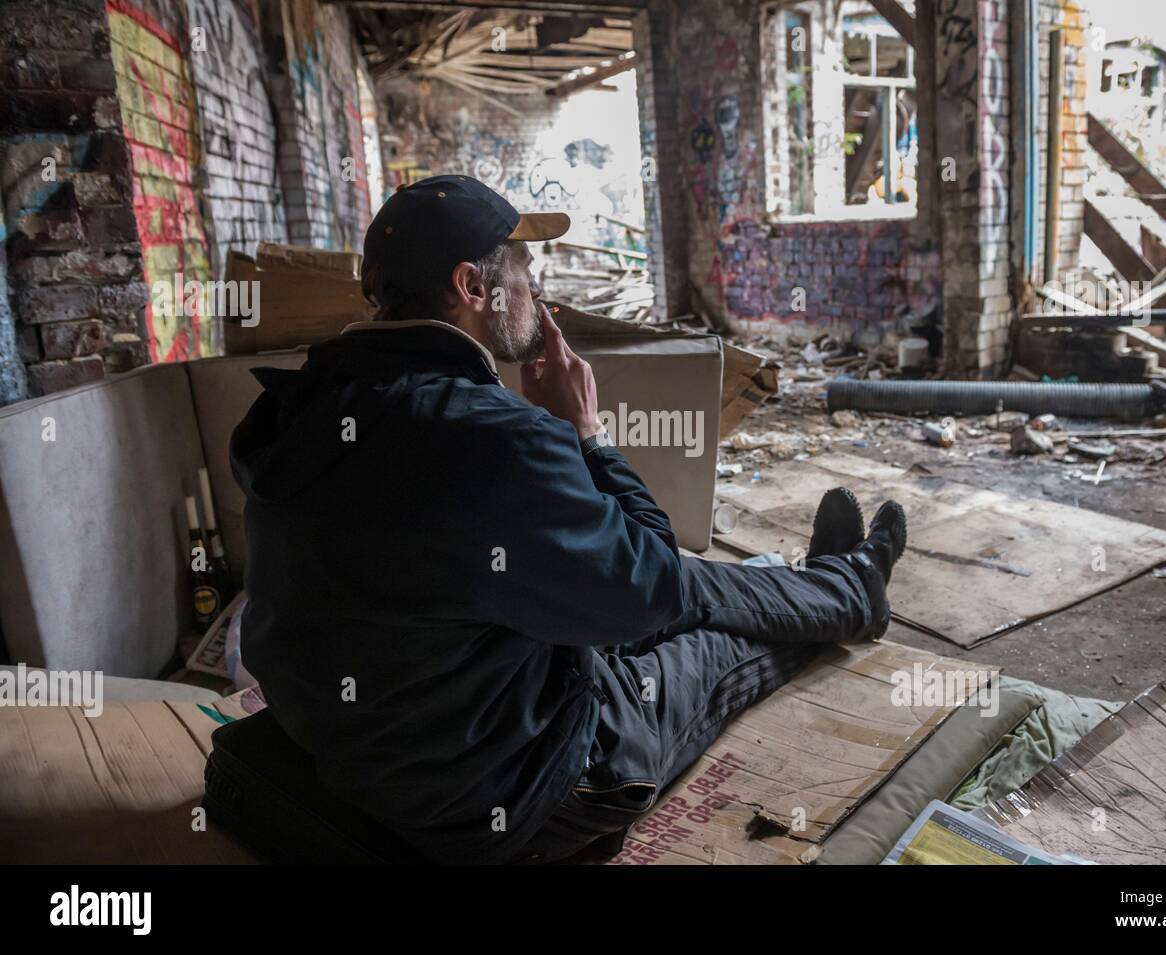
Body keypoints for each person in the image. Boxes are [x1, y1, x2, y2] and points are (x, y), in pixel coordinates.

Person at [230, 175, 907, 865]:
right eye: (523, 264)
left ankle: (843, 584)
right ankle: (851, 594)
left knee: (690, 586)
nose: (536, 282)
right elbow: (655, 588)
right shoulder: (491, 435)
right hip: (513, 787)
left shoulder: (303, 410)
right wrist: (587, 433)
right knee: (703, 638)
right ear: (472, 286)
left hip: (380, 745)